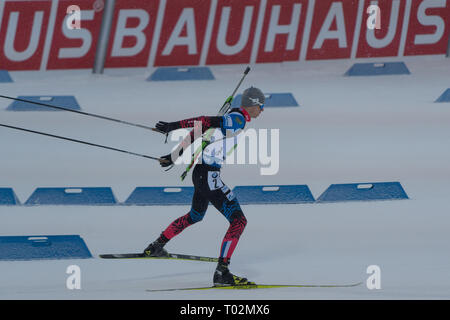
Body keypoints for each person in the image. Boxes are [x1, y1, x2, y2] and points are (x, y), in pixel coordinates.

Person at [144, 87, 265, 286]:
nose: (262, 111)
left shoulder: (232, 117)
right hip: (208, 175)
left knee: (195, 215)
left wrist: (174, 155)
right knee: (239, 221)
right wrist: (172, 126)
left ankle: (157, 246)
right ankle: (222, 273)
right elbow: (204, 121)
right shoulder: (238, 119)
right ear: (252, 105)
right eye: (261, 106)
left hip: (200, 174)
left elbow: (199, 130)